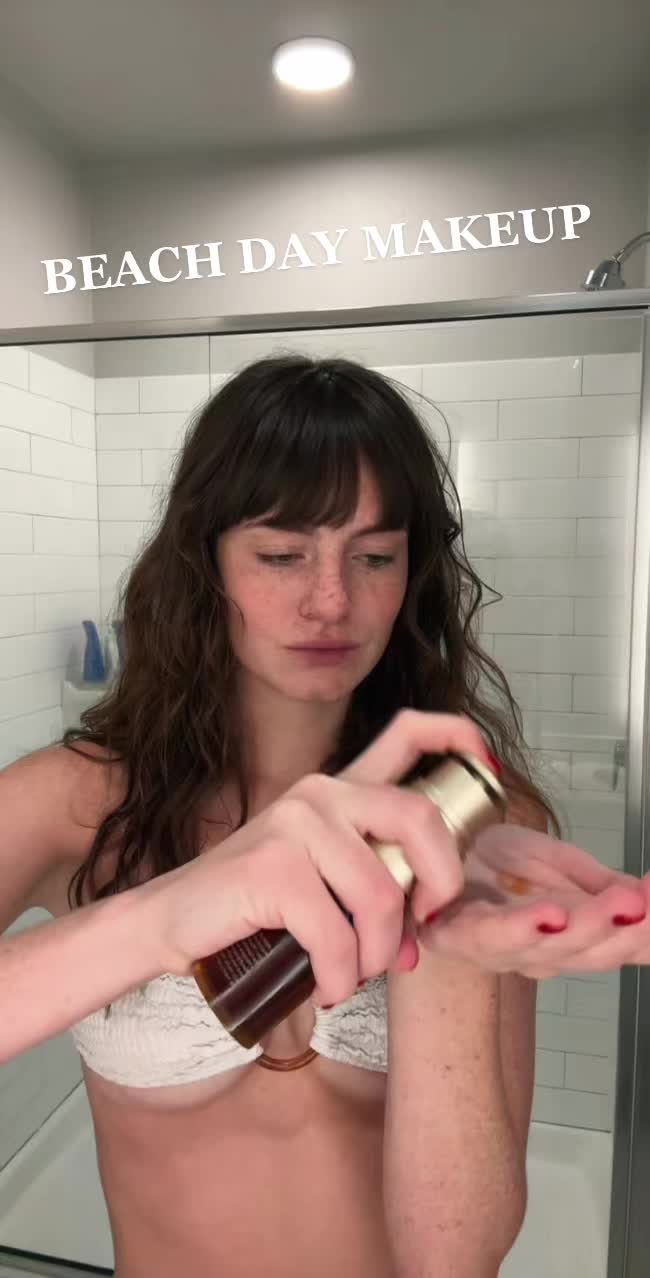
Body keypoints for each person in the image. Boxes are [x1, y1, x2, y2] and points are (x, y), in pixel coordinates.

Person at [0, 356, 646, 1278]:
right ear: (203, 561)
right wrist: (162, 916)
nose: (333, 601)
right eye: (281, 555)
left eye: (374, 557)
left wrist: (442, 946)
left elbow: (455, 1259)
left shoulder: (475, 819)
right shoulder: (70, 803)